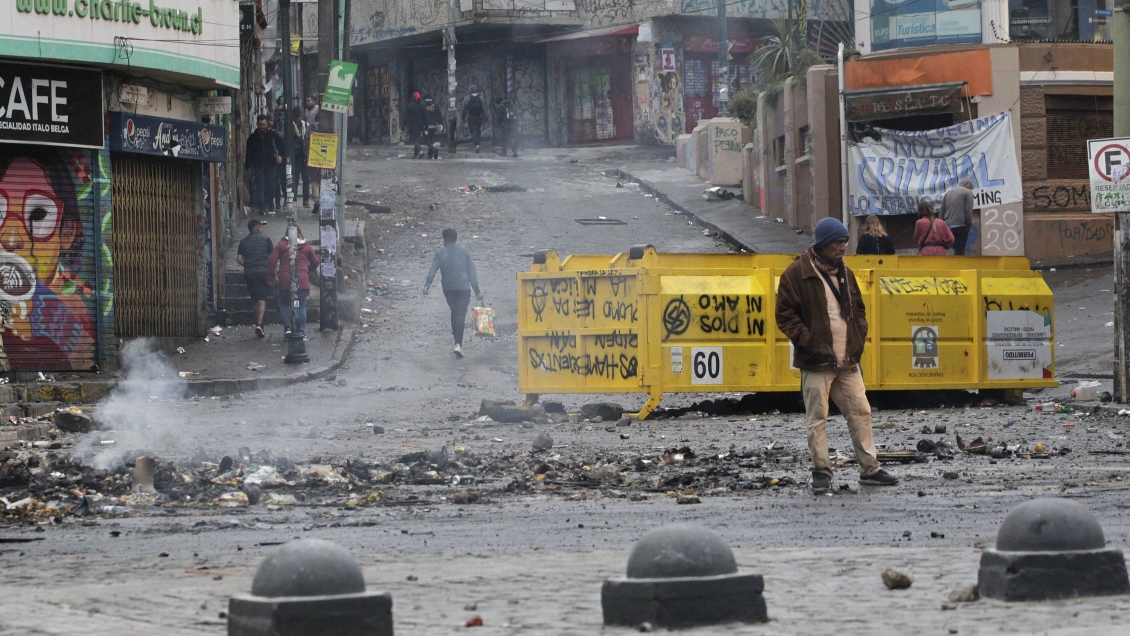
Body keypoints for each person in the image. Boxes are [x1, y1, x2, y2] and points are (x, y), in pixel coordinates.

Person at [775, 217, 899, 492]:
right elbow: (784, 315)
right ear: (822, 244)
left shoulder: (846, 272)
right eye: (837, 242)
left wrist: (859, 334)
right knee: (817, 417)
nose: (843, 246)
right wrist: (808, 341)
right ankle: (821, 472)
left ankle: (870, 469)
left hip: (848, 360)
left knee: (861, 413)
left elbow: (859, 309)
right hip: (817, 360)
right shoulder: (797, 273)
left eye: (844, 241)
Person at [423, 229, 483, 358]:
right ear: (456, 239)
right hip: (463, 288)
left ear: (444, 239)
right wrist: (477, 291)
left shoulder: (440, 253)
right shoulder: (465, 253)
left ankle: (457, 342)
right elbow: (472, 273)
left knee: (455, 312)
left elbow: (432, 270)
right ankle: (458, 344)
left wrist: (427, 286)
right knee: (459, 314)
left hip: (448, 289)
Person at [266, 226, 320, 338]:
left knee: (285, 304)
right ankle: (301, 331)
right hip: (302, 280)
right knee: (300, 306)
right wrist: (307, 269)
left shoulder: (281, 245)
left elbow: (272, 262)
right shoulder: (306, 246)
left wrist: (270, 277)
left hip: (285, 280)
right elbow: (315, 262)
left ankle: (288, 328)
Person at [237, 219, 274, 337]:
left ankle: (257, 322)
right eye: (261, 227)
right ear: (258, 228)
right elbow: (272, 257)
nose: (262, 229)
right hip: (263, 271)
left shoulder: (243, 241)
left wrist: (248, 265)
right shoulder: (266, 240)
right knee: (262, 298)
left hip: (249, 273)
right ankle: (259, 324)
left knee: (254, 298)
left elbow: (239, 259)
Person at [245, 115, 282, 214]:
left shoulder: (272, 135)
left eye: (264, 124)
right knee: (260, 186)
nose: (262, 126)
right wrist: (248, 166)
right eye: (260, 124)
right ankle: (262, 206)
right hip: (258, 165)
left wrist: (279, 156)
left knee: (271, 185)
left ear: (267, 124)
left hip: (271, 164)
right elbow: (248, 153)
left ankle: (270, 205)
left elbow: (279, 146)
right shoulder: (253, 138)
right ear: (257, 124)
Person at [941, 177, 975, 255]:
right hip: (960, 226)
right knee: (959, 251)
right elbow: (968, 211)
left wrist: (941, 226)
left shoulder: (948, 193)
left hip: (947, 227)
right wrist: (968, 225)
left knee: (947, 250)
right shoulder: (968, 192)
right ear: (969, 186)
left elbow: (942, 211)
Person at [289, 107, 312, 208]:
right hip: (296, 155)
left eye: (298, 116)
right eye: (295, 116)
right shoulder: (289, 125)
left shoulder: (305, 125)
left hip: (304, 155)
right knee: (295, 178)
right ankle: (293, 199)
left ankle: (305, 200)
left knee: (306, 178)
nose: (297, 118)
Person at [461, 85, 486, 153]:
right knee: (478, 130)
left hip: (470, 117)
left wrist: (463, 118)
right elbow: (484, 108)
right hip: (479, 117)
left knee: (473, 131)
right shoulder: (481, 98)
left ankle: (476, 145)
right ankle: (478, 143)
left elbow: (463, 109)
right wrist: (485, 117)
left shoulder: (467, 98)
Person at [405, 92, 426, 159]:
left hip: (412, 125)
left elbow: (407, 117)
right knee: (417, 138)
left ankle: (420, 151)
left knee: (414, 139)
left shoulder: (410, 106)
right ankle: (415, 154)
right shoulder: (423, 106)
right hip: (420, 125)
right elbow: (425, 116)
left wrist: (403, 126)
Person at [423, 94, 444, 160]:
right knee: (431, 139)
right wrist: (440, 123)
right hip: (433, 125)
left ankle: (433, 149)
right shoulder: (435, 105)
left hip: (426, 126)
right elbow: (439, 114)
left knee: (426, 139)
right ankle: (430, 154)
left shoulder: (423, 105)